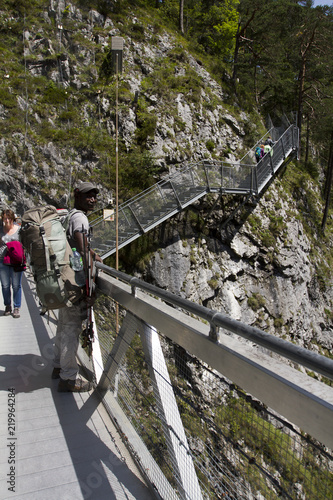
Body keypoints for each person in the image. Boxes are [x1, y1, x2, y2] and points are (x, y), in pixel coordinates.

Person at [52, 182, 102, 392]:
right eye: (88, 195)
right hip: (74, 280)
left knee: (63, 325)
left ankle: (58, 365)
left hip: (63, 277)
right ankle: (68, 378)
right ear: (77, 196)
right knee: (71, 328)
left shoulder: (68, 216)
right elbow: (82, 250)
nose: (92, 199)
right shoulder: (80, 218)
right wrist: (90, 283)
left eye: (94, 196)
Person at [0, 210, 24, 318]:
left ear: (13, 219)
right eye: (5, 218)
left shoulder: (19, 230)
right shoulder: (0, 230)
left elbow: (23, 244)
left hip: (16, 261)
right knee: (5, 285)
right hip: (2, 260)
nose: (7, 220)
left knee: (16, 285)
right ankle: (7, 305)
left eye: (9, 218)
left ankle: (16, 307)